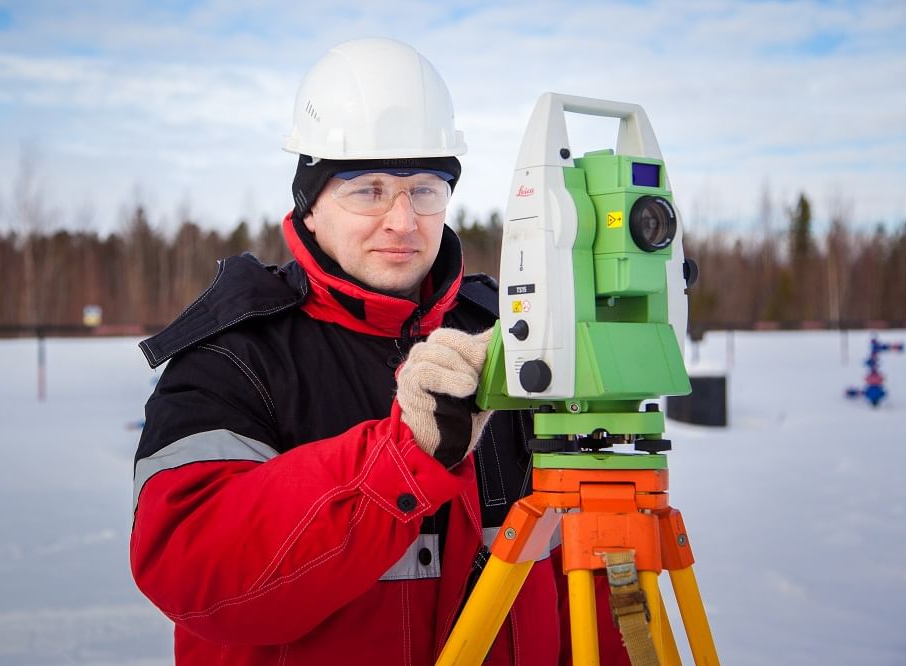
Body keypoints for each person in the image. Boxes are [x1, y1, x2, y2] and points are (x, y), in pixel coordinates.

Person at [131, 37, 629, 665]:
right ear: (310, 206)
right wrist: (400, 459)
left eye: (425, 189)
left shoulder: (507, 334)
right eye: (367, 189)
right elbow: (195, 573)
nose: (403, 219)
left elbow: (581, 583)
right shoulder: (235, 355)